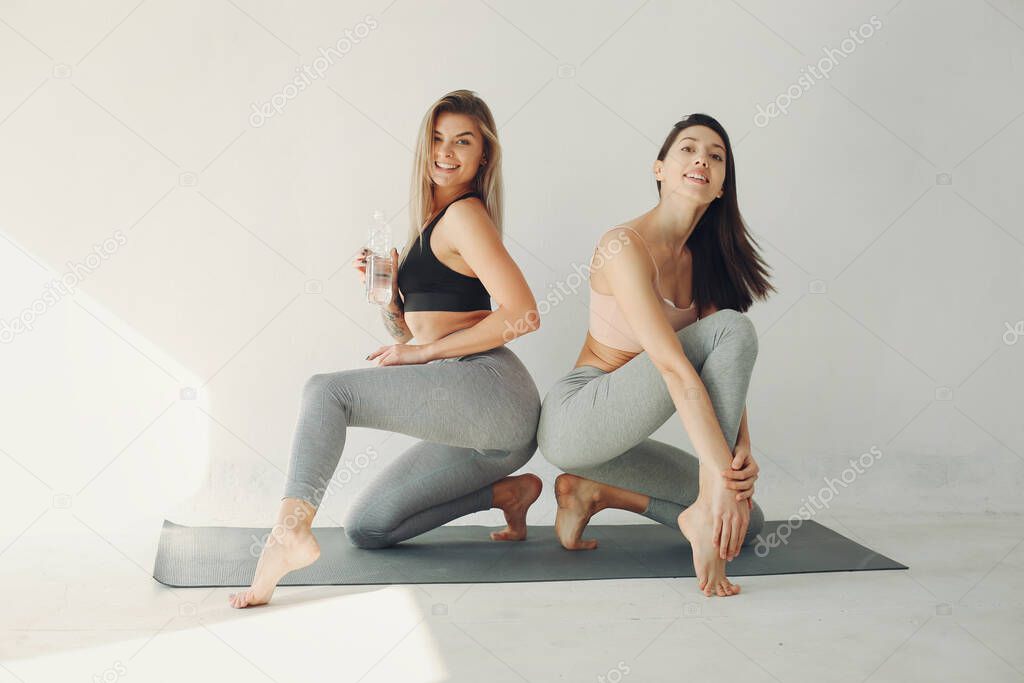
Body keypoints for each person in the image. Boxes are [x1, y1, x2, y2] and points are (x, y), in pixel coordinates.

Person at [230, 89, 543, 608]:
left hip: (494, 393)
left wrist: (422, 354)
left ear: (483, 154)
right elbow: (418, 337)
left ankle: (287, 535)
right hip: (483, 424)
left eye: (462, 141)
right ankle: (506, 493)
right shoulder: (432, 225)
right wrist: (391, 297)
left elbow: (523, 313)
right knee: (369, 526)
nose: (446, 151)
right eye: (437, 139)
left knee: (326, 393)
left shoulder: (467, 215)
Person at [537, 113, 776, 598]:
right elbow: (674, 366)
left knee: (747, 523)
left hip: (616, 446)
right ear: (660, 168)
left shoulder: (704, 261)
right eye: (688, 149)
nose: (701, 160)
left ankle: (593, 492)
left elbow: (722, 365)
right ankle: (707, 509)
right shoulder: (622, 246)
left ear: (723, 185)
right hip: (577, 420)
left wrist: (739, 452)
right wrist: (720, 480)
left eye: (715, 156)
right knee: (734, 328)